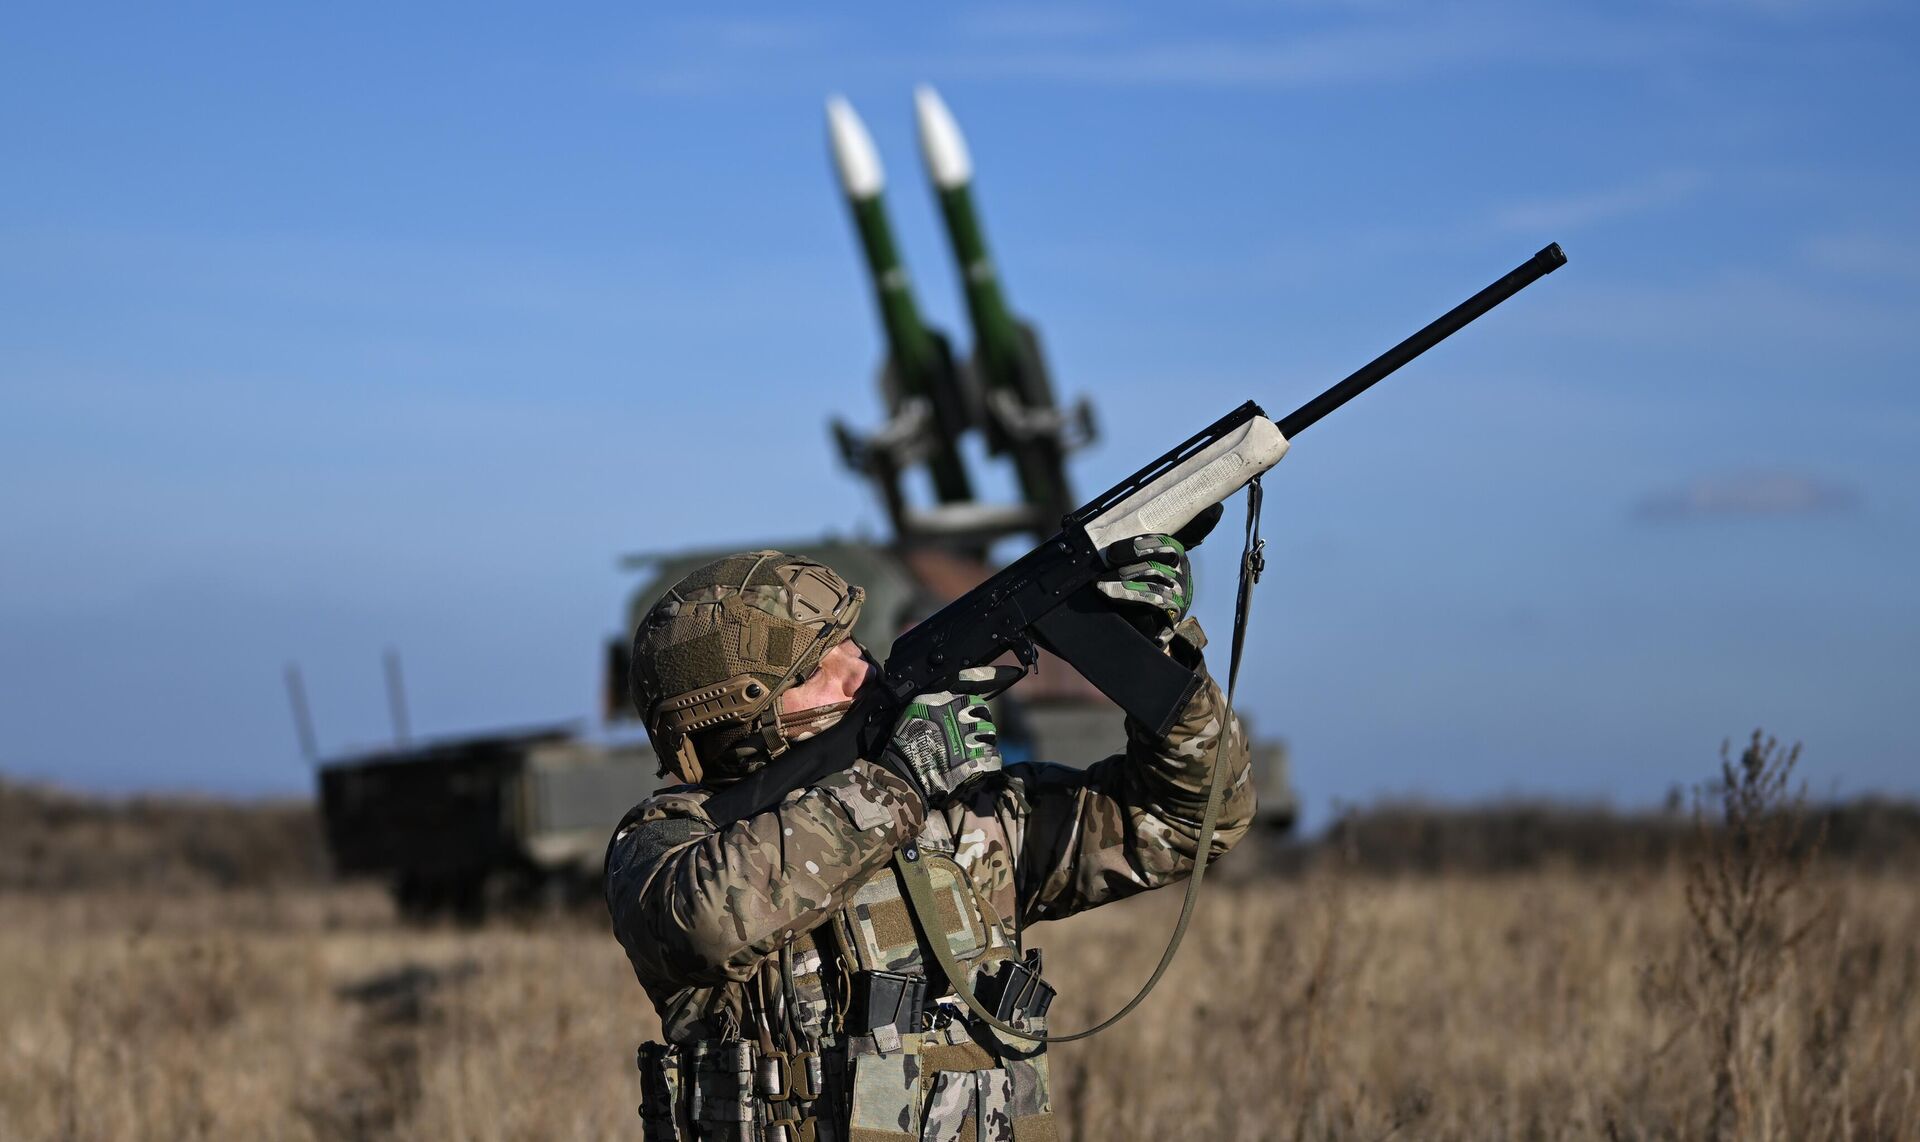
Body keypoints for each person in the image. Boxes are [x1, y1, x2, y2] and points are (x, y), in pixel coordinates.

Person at [605, 542, 1254, 1141]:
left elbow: (1191, 818)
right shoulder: (668, 839)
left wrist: (1149, 655)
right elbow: (706, 922)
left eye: (851, 642)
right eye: (816, 668)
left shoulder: (966, 820)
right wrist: (893, 786)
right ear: (737, 714)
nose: (860, 668)